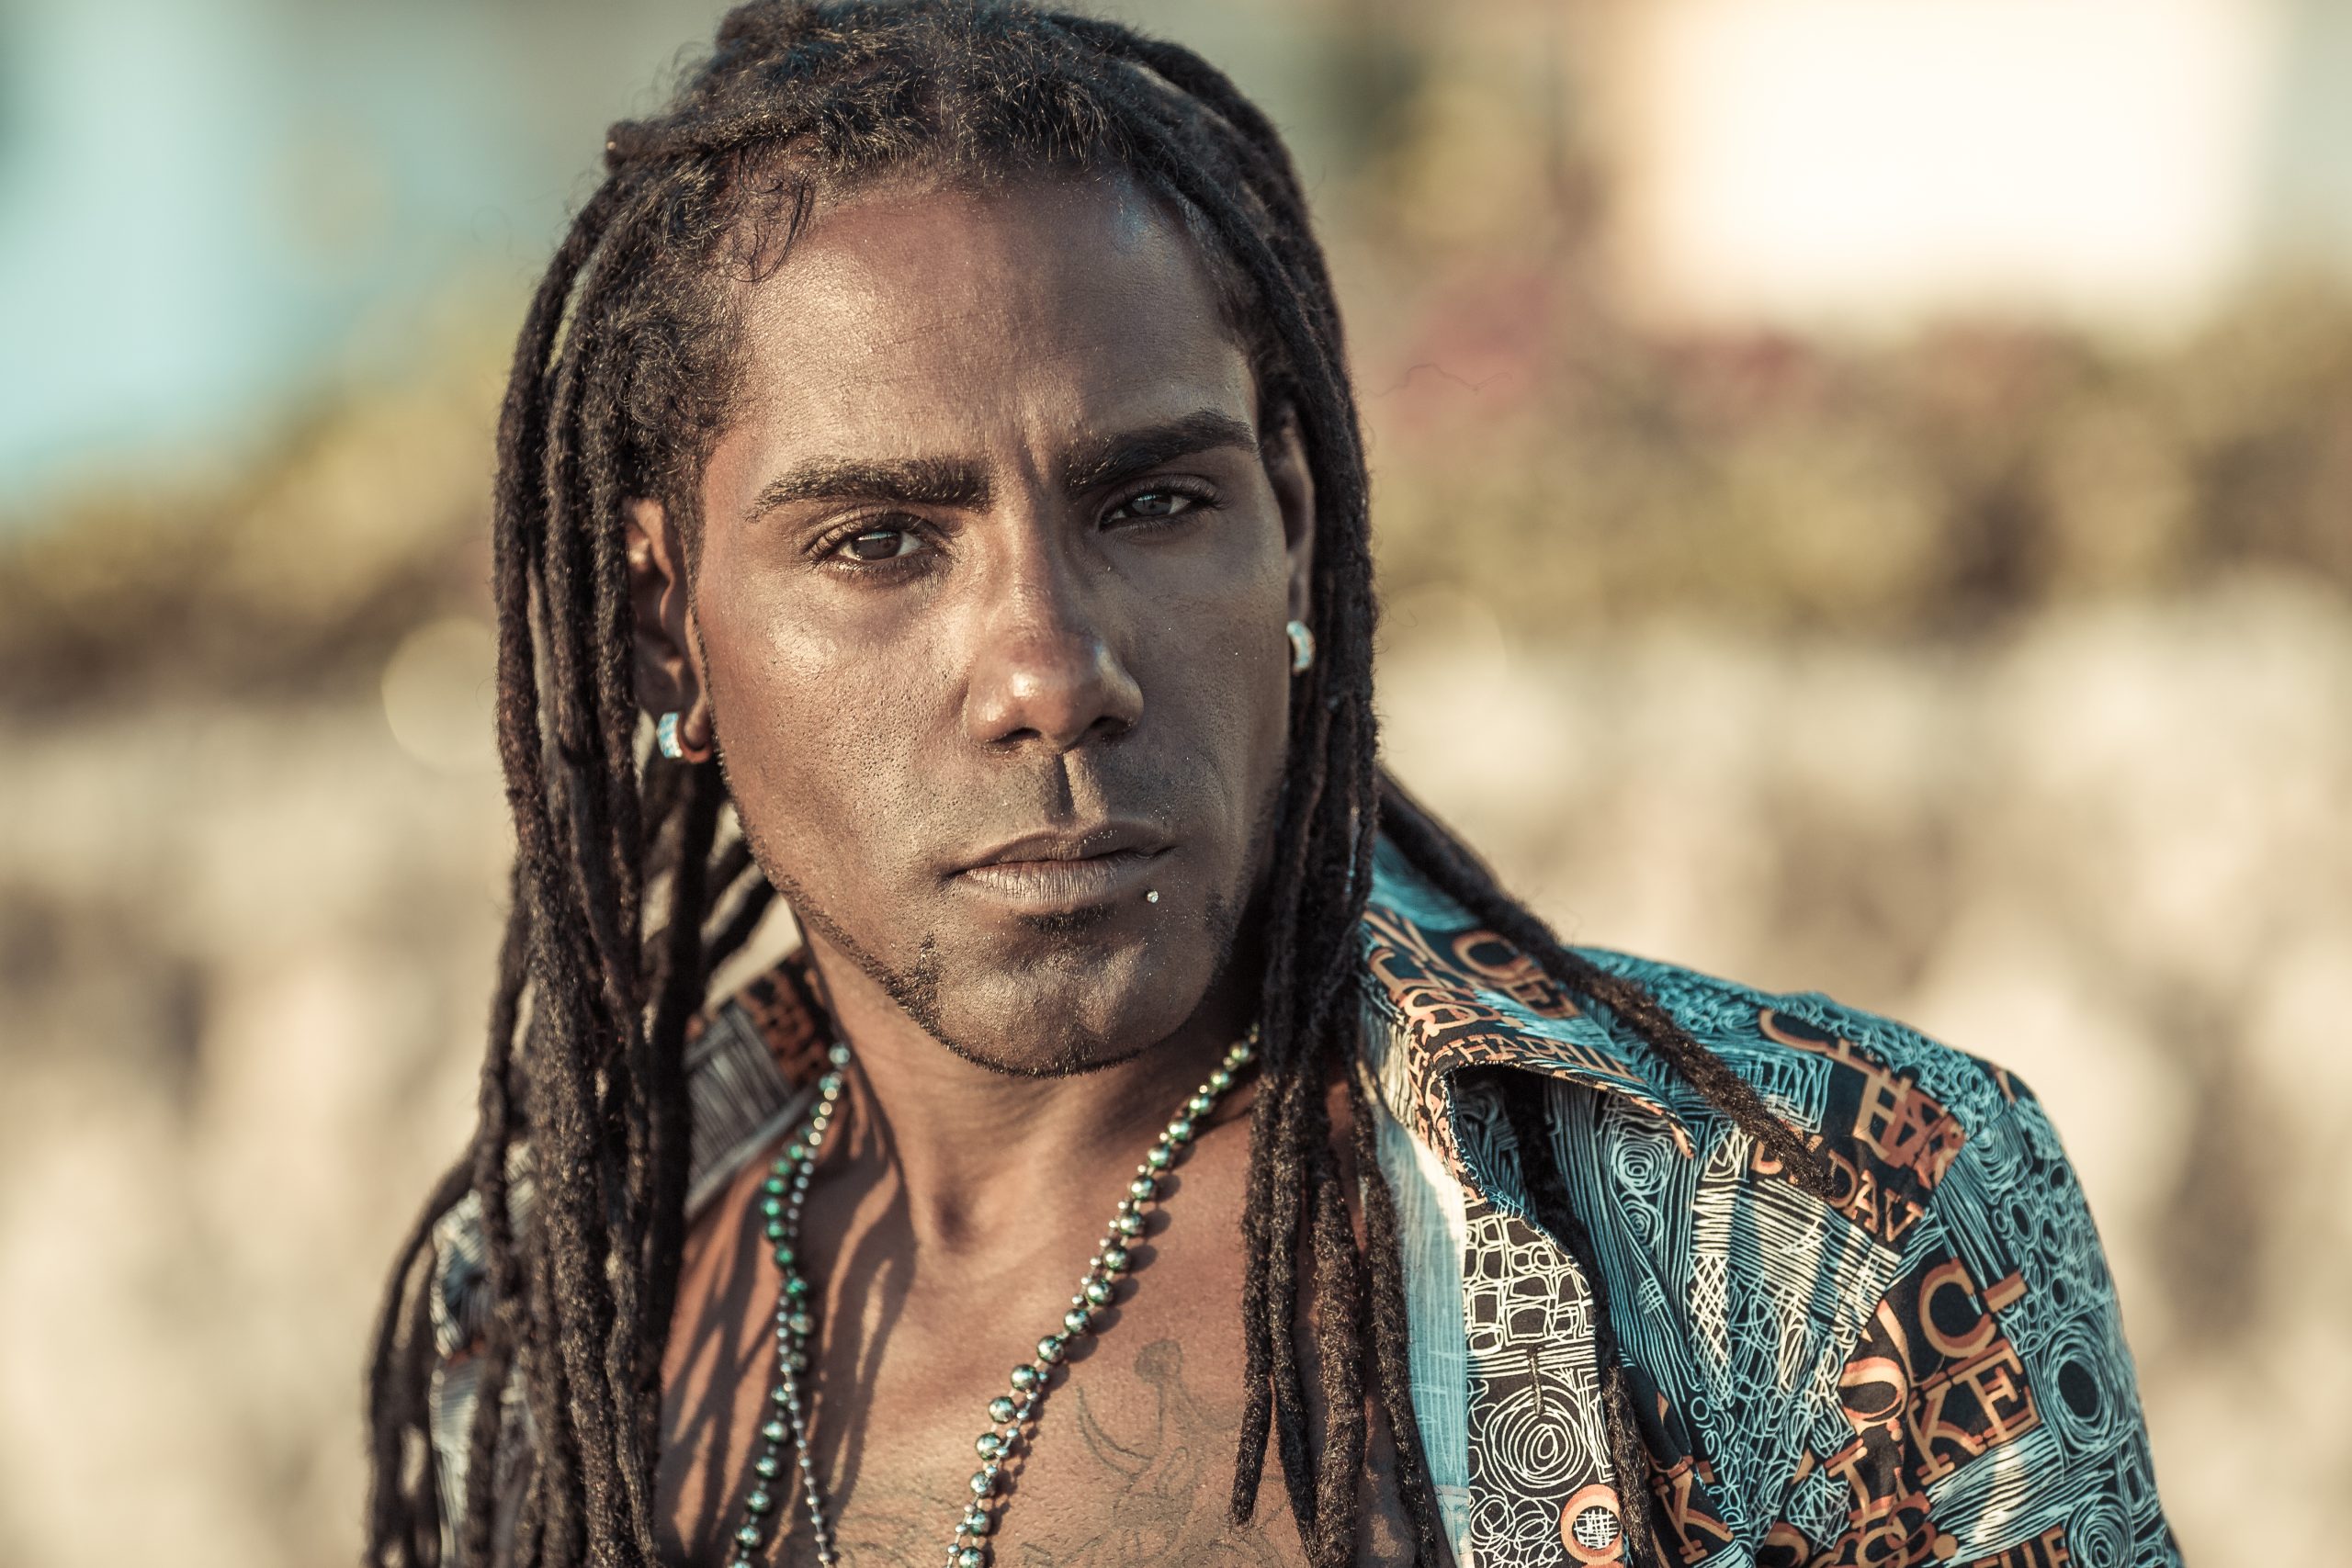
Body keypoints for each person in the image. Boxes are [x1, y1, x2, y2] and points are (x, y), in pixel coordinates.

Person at [365, 5, 2180, 1566]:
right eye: (879, 542)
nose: (1052, 669)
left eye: (1155, 502)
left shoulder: (1822, 1231)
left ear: (1292, 532)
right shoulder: (548, 1324)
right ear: (666, 628)